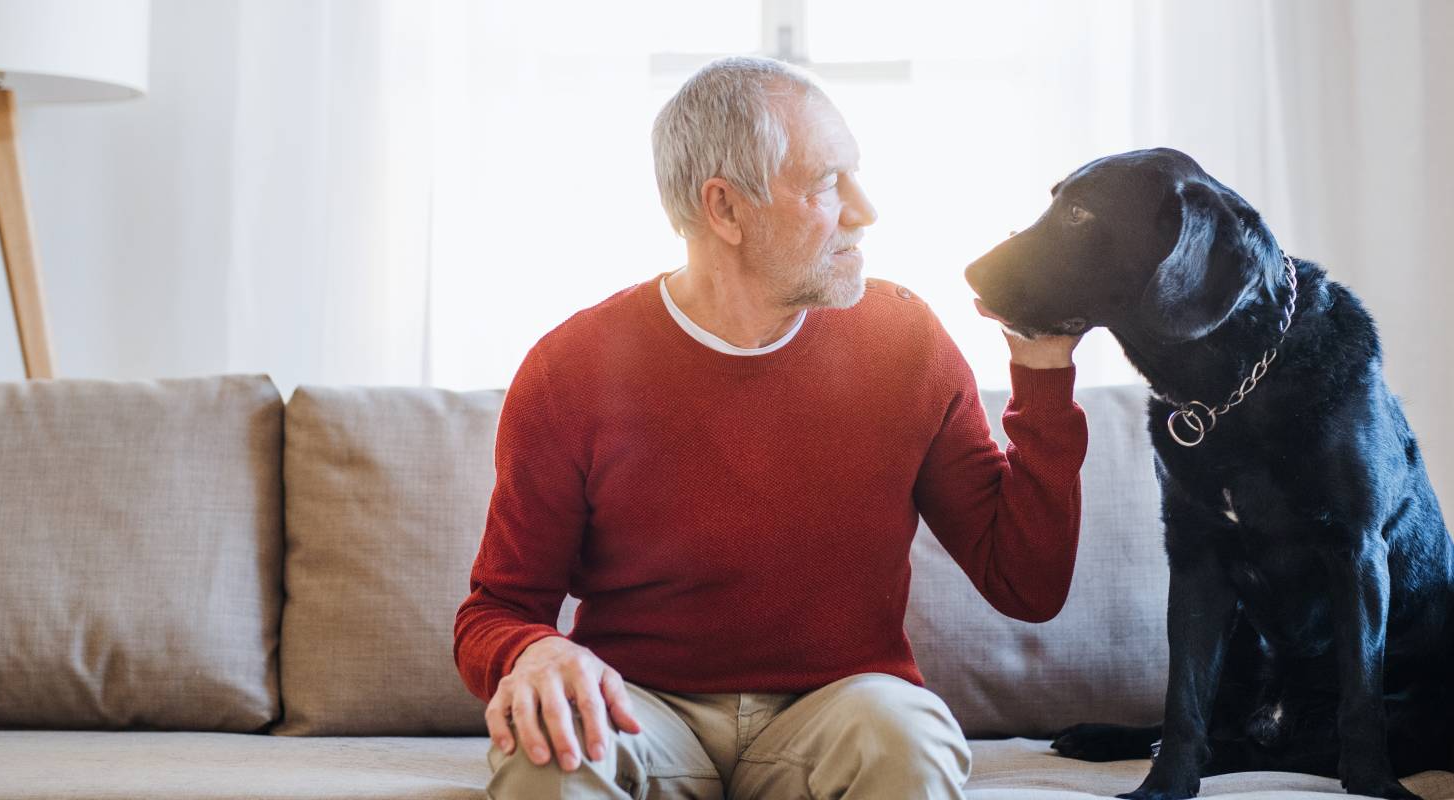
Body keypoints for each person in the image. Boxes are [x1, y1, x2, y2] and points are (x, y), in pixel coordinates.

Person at [454, 55, 1088, 799]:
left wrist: (1043, 372)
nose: (864, 209)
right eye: (827, 183)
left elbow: (1027, 584)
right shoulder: (570, 369)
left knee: (908, 738)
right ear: (724, 209)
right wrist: (530, 652)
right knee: (542, 762)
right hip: (641, 710)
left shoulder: (906, 341)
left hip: (841, 709)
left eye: (854, 174)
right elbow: (496, 610)